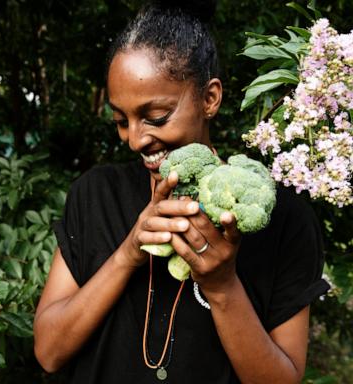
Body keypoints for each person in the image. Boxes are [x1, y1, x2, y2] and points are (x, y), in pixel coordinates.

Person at [33, 1, 330, 383]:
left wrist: (222, 285)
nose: (136, 140)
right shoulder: (96, 193)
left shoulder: (285, 220)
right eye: (121, 121)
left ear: (210, 98)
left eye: (156, 117)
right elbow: (48, 353)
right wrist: (128, 253)